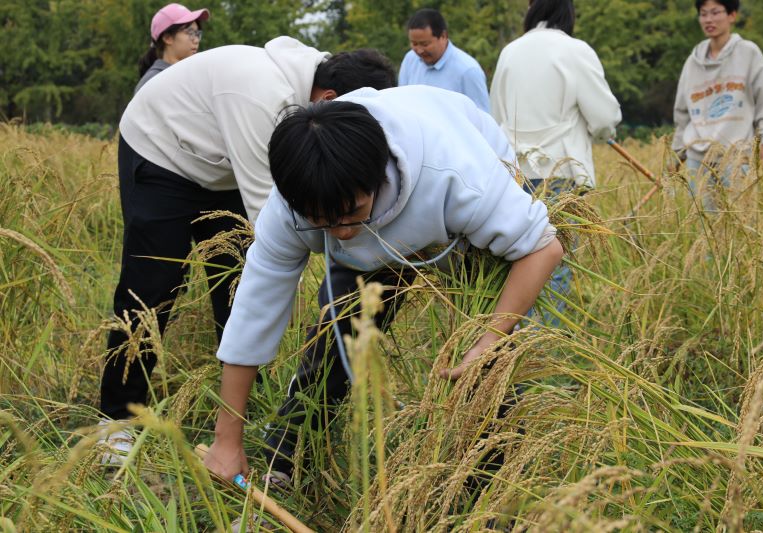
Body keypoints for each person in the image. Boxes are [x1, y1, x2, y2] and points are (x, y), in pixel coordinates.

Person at [201, 85, 564, 485]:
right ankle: (287, 454)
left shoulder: (458, 175)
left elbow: (542, 248)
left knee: (483, 360)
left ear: (378, 177)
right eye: (323, 222)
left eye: (351, 213)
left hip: (457, 234)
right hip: (372, 235)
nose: (340, 233)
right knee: (338, 333)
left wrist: (489, 337)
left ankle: (490, 484)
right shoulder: (292, 206)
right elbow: (255, 309)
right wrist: (226, 439)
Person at [98, 38, 396, 459]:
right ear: (329, 100)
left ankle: (233, 412)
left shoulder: (305, 95)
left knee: (235, 288)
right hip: (161, 151)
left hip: (221, 168)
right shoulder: (262, 98)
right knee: (153, 286)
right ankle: (117, 419)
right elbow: (274, 221)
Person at [489, 0, 620, 327]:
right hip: (559, 174)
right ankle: (541, 358)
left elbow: (495, 117)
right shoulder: (574, 50)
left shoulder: (510, 52)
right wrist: (601, 132)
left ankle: (511, 350)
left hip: (514, 176)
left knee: (516, 265)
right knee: (554, 267)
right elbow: (605, 118)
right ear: (568, 11)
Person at [672, 0, 763, 210]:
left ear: (732, 15)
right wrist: (677, 153)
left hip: (736, 155)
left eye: (715, 13)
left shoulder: (749, 53)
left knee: (741, 220)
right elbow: (682, 114)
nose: (709, 19)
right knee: (704, 225)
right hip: (697, 157)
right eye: (703, 14)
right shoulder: (692, 62)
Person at [398, 8, 490, 112]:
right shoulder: (410, 60)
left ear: (443, 36)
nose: (419, 50)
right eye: (414, 44)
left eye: (425, 44)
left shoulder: (468, 71)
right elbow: (402, 103)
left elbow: (482, 119)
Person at [136, 3, 209, 93]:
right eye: (190, 32)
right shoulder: (152, 83)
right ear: (168, 38)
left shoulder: (190, 77)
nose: (196, 40)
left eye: (197, 33)